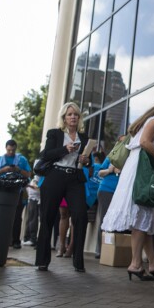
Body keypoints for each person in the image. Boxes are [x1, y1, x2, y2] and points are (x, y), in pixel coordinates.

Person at [101, 99, 154, 281]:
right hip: (140, 170)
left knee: (143, 217)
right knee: (140, 216)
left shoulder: (148, 120)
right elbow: (146, 142)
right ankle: (136, 263)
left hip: (134, 168)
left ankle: (153, 261)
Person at [35, 102, 91, 272]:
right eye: (69, 114)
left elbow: (89, 162)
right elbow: (46, 154)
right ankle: (42, 261)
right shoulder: (55, 134)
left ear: (79, 118)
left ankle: (78, 261)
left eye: (76, 114)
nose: (73, 117)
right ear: (64, 118)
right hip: (55, 176)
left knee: (81, 215)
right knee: (48, 217)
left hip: (75, 178)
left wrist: (86, 160)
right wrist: (65, 149)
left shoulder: (85, 137)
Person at [0, 139, 31, 249]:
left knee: (17, 217)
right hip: (2, 191)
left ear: (16, 149)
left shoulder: (22, 160)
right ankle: (0, 239)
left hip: (18, 191)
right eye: (9, 150)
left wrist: (18, 170)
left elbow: (28, 174)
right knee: (1, 215)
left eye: (13, 150)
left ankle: (16, 240)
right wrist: (3, 170)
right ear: (5, 148)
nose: (11, 152)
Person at [95, 154, 121, 259]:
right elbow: (100, 173)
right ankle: (100, 250)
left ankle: (113, 250)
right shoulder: (111, 156)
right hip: (106, 190)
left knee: (117, 222)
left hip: (121, 193)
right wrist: (110, 170)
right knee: (104, 220)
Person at [23, 175, 41, 247]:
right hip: (32, 198)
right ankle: (28, 238)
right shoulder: (36, 177)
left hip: (35, 198)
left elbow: (36, 187)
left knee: (32, 219)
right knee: (31, 219)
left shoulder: (39, 176)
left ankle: (32, 239)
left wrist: (32, 186)